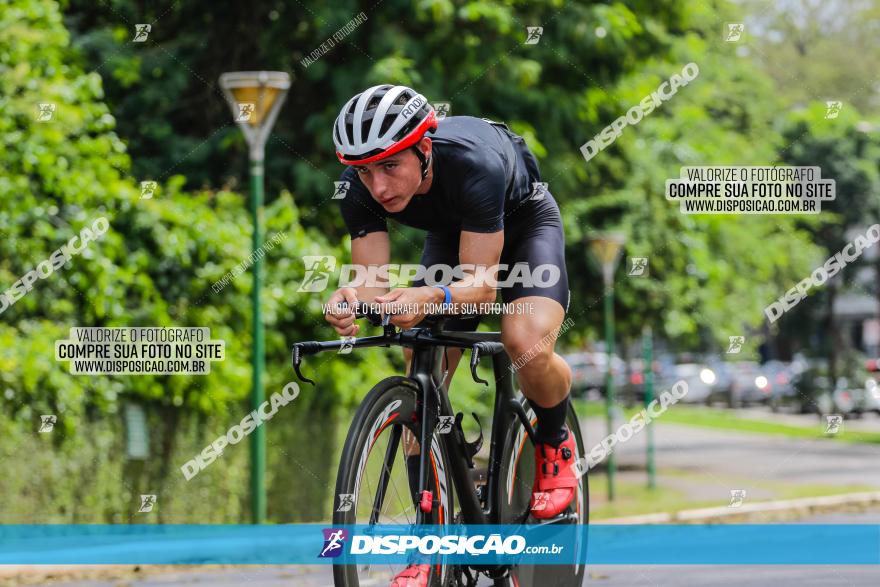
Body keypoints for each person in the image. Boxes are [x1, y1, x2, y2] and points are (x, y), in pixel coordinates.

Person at [323, 84, 575, 587]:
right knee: (421, 367)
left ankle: (554, 442)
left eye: (389, 166)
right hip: (453, 234)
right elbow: (371, 279)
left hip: (525, 225)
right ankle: (430, 542)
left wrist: (427, 299)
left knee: (522, 342)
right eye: (364, 170)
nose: (377, 185)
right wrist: (349, 297)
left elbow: (480, 288)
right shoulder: (359, 189)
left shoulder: (473, 163)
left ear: (423, 147)